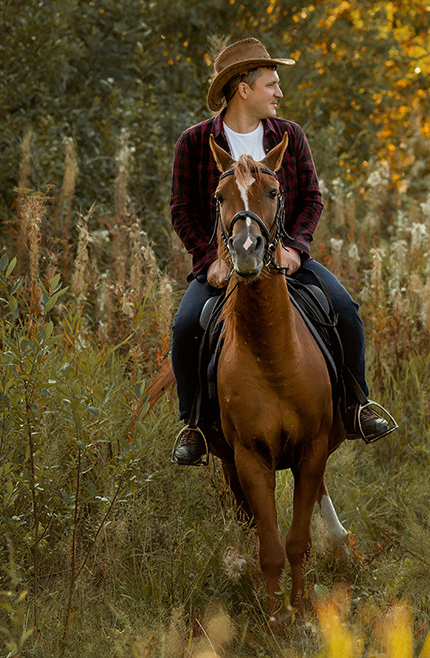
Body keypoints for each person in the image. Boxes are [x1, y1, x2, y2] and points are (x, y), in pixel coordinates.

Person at [169, 37, 395, 465]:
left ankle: (356, 406)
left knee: (344, 309)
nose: (279, 93)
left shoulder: (290, 136)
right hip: (224, 265)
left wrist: (295, 248)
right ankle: (194, 425)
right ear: (243, 88)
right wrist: (208, 261)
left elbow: (312, 199)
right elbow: (182, 210)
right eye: (271, 84)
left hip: (283, 262)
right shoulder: (196, 142)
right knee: (185, 328)